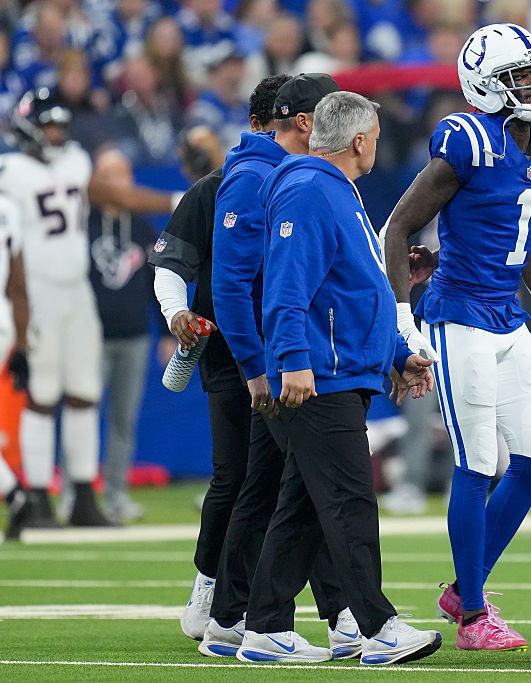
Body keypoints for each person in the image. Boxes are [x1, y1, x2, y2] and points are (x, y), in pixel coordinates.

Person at [382, 23, 531, 652]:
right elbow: (398, 225)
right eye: (521, 75)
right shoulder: (467, 141)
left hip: (508, 316)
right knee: (476, 463)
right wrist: (404, 318)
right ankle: (472, 617)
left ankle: (466, 588)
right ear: (487, 85)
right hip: (457, 314)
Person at [240, 91, 442, 666]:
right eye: (375, 135)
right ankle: (377, 628)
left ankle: (266, 627)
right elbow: (285, 285)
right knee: (351, 503)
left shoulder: (334, 190)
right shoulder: (309, 191)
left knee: (302, 506)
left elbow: (358, 291)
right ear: (358, 141)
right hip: (319, 376)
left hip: (342, 370)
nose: (376, 144)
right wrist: (293, 358)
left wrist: (396, 354)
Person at [201, 72, 359, 661]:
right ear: (302, 122)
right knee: (309, 483)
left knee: (271, 484)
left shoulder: (287, 173)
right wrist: (254, 367)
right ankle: (334, 615)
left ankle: (230, 617)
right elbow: (231, 286)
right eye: (331, 112)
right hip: (276, 359)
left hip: (287, 354)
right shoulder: (254, 177)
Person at [149, 74, 290, 642]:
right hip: (231, 348)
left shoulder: (307, 182)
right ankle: (210, 587)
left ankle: (245, 598)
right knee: (236, 476)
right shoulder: (215, 187)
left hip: (286, 348)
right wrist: (175, 315)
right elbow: (171, 263)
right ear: (264, 125)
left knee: (277, 479)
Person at [0, 88, 113, 528]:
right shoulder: (10, 168)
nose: (56, 133)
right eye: (49, 125)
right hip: (36, 293)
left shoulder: (77, 160)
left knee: (85, 393)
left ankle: (82, 496)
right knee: (40, 396)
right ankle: (37, 495)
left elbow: (107, 191)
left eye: (60, 124)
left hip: (77, 291)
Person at [86, 148, 160, 523]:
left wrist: (165, 330)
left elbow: (157, 277)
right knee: (82, 416)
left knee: (123, 419)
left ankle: (115, 494)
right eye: (109, 173)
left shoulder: (142, 224)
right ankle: (77, 495)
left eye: (123, 172)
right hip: (89, 336)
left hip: (134, 335)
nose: (118, 181)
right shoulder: (84, 221)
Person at [0, 180, 33, 540]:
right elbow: (17, 285)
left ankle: (13, 493)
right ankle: (14, 494)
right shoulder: (5, 206)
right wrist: (21, 345)